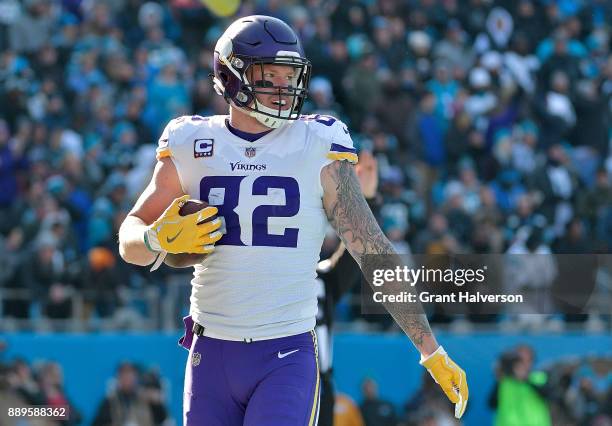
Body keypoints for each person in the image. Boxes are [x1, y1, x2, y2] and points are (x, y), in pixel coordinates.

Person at [118, 15, 468, 425]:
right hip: (209, 352)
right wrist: (155, 238)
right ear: (232, 77)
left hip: (285, 354)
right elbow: (129, 239)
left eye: (291, 76)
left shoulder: (317, 143)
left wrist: (431, 349)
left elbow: (373, 251)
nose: (285, 89)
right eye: (271, 77)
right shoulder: (191, 141)